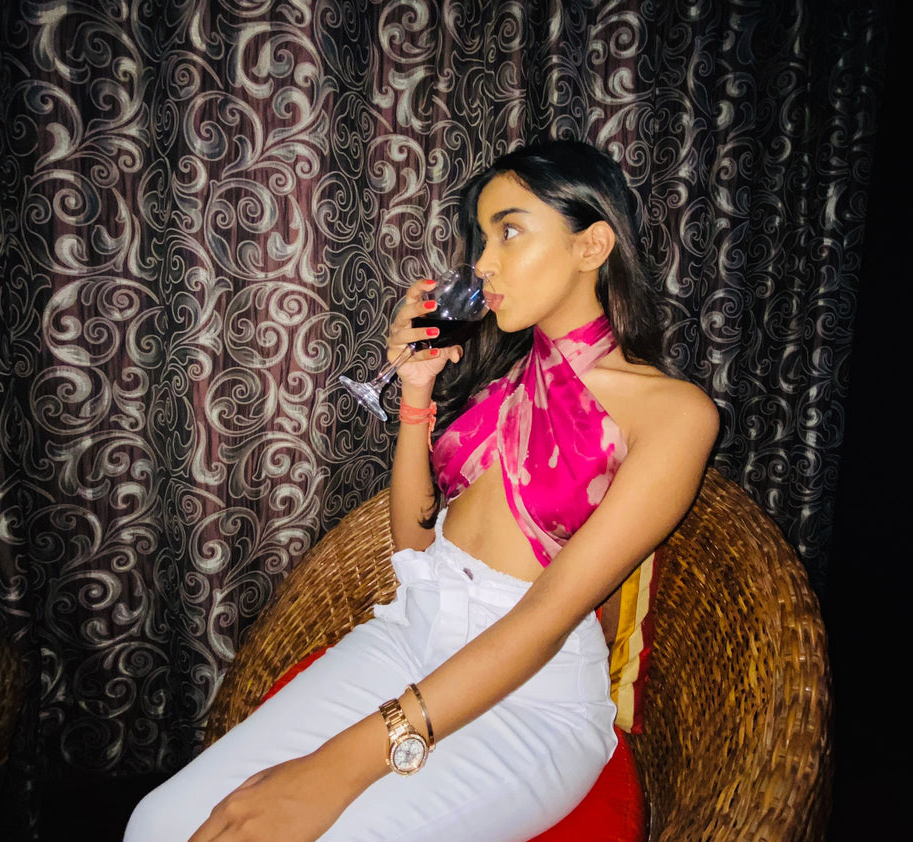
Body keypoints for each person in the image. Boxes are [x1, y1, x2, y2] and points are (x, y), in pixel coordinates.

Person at [124, 139, 719, 842]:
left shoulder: (674, 414)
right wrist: (415, 393)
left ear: (592, 244)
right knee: (157, 822)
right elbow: (413, 546)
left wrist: (339, 767)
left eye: (509, 231)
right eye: (482, 238)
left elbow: (546, 617)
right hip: (409, 636)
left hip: (530, 694)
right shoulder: (503, 382)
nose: (483, 262)